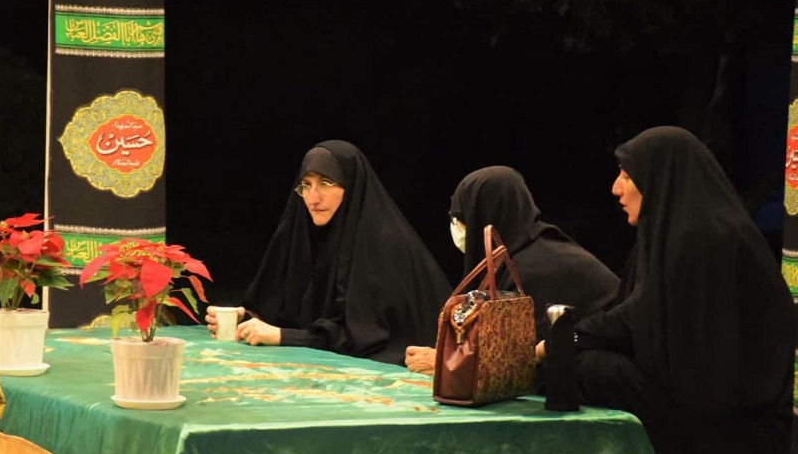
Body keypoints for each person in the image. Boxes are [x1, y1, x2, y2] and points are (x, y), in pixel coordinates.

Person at [573, 126, 797, 454]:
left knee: (598, 371)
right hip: (711, 407)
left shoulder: (706, 240)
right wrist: (571, 339)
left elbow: (651, 329)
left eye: (627, 174)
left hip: (746, 429)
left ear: (659, 177)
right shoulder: (667, 235)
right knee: (588, 364)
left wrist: (569, 339)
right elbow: (635, 315)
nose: (617, 188)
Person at [206, 140, 452, 366]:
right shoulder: (305, 234)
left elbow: (362, 337)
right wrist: (245, 320)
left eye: (326, 183)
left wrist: (282, 336)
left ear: (351, 186)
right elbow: (288, 312)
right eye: (306, 185)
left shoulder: (381, 243)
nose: (313, 198)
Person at [405, 165, 619, 374]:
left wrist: (450, 366)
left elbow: (518, 361)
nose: (456, 226)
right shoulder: (522, 255)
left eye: (461, 217)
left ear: (484, 215)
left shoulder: (538, 267)